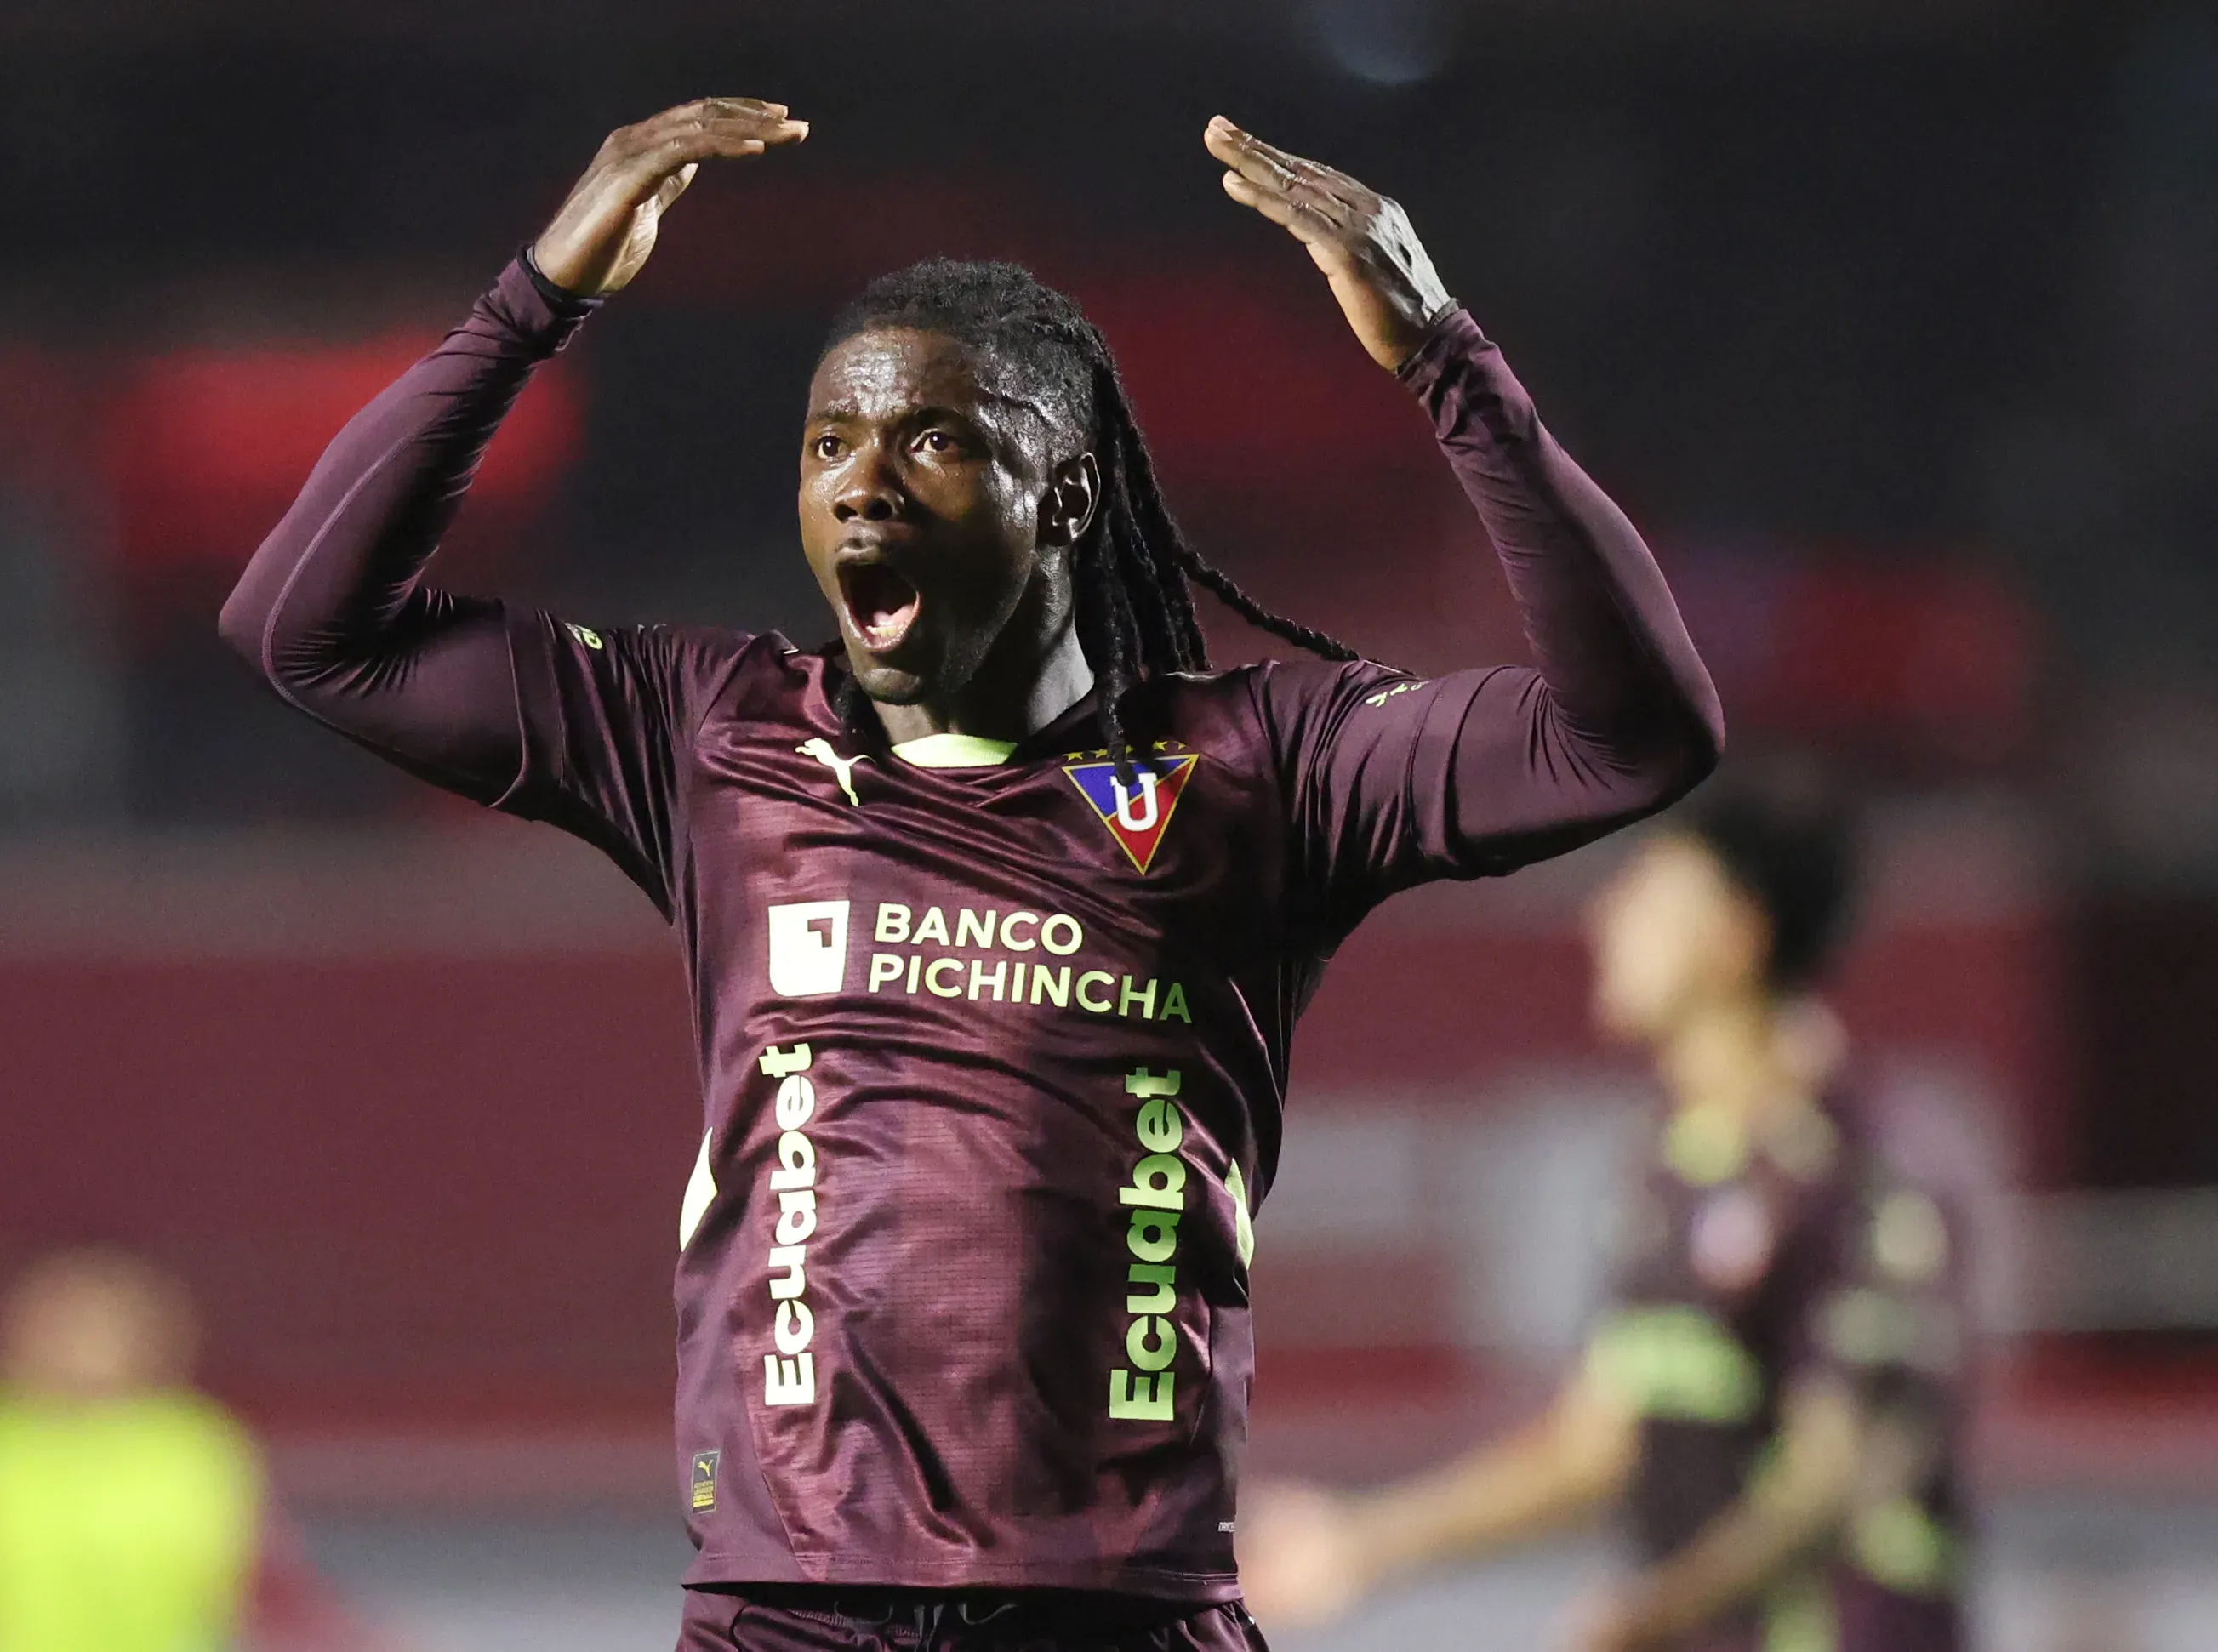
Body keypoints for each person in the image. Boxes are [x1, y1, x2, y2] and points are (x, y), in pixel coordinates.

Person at [220, 96, 1722, 1649]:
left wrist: (1443, 362)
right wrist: (536, 302)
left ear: (1065, 495)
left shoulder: (1262, 769)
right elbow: (303, 630)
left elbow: (1634, 737)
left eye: (933, 438)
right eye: (829, 442)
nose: (863, 480)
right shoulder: (709, 735)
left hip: (1118, 1610)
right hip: (786, 1609)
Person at [1238, 777, 1971, 1652]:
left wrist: (1645, 1616)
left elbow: (1831, 1483)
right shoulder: (1672, 1166)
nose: (1605, 919)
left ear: (1734, 935)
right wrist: (1360, 1542)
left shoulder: (1858, 1170)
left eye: (1649, 896)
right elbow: (1596, 1445)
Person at [0, 1250, 382, 1652]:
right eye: (60, 1327)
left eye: (99, 1329)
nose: (77, 1349)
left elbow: (267, 1587)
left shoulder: (195, 1447)